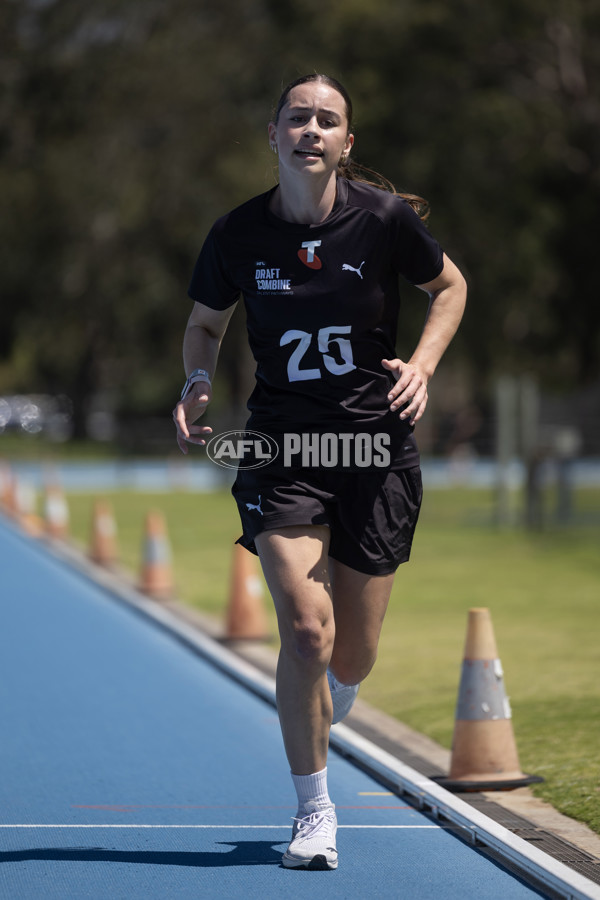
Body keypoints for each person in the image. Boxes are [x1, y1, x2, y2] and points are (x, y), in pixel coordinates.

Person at [173, 73, 466, 871]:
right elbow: (205, 324)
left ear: (344, 143)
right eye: (296, 117)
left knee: (350, 655)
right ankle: (315, 810)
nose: (310, 128)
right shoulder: (236, 235)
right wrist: (197, 380)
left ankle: (329, 706)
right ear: (272, 135)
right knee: (305, 629)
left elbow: (450, 287)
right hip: (281, 446)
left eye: (326, 120)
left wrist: (426, 365)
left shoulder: (381, 221)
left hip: (374, 449)